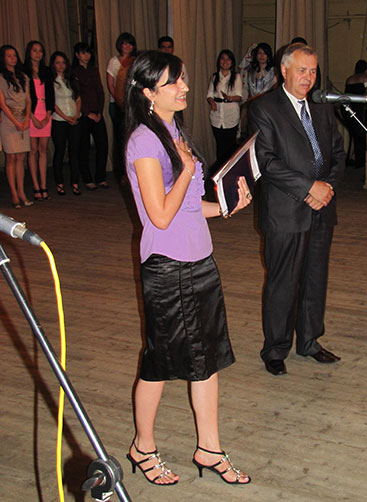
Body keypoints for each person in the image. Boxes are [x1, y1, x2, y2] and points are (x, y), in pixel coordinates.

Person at [124, 50, 251, 486]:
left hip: (200, 261)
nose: (185, 87)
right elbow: (159, 216)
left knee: (207, 361)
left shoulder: (175, 131)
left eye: (183, 78)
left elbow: (190, 207)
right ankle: (142, 446)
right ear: (148, 92)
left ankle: (209, 448)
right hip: (167, 268)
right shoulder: (144, 141)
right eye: (174, 82)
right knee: (159, 364)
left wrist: (227, 206)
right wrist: (186, 168)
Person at [248, 43, 345, 376]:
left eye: (313, 71)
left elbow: (337, 153)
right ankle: (275, 349)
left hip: (322, 207)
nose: (309, 77)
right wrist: (309, 188)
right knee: (283, 282)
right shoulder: (263, 108)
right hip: (285, 211)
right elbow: (266, 161)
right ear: (284, 71)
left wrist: (327, 188)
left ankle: (309, 341)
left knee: (315, 279)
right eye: (302, 70)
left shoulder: (321, 107)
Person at [71, 42, 109, 190]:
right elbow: (77, 94)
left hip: (97, 112)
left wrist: (99, 111)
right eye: (83, 53)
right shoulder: (74, 71)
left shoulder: (94, 70)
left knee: (103, 144)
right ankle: (87, 178)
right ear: (77, 55)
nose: (86, 55)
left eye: (88, 52)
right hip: (83, 114)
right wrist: (87, 113)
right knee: (84, 147)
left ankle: (101, 177)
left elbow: (100, 92)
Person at [0, 44, 33, 208]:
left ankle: (21, 191)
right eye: (9, 55)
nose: (13, 58)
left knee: (21, 157)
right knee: (11, 157)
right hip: (8, 120)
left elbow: (28, 100)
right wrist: (15, 121)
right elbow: (2, 103)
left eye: (14, 55)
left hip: (23, 119)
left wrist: (26, 119)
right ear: (3, 58)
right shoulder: (1, 77)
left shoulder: (23, 77)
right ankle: (13, 193)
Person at [24, 40, 55, 200]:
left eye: (40, 51)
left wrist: (48, 114)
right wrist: (32, 117)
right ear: (29, 52)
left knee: (43, 150)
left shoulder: (46, 71)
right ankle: (36, 186)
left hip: (45, 112)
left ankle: (43, 185)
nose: (38, 53)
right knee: (33, 150)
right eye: (34, 50)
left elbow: (51, 94)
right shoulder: (23, 70)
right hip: (31, 113)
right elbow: (24, 97)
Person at [49, 51, 82, 195]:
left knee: (74, 152)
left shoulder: (71, 79)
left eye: (63, 62)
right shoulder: (51, 81)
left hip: (74, 118)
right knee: (60, 151)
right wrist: (65, 117)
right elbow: (52, 103)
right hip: (59, 120)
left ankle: (75, 182)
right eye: (58, 62)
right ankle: (59, 183)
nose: (61, 65)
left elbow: (78, 98)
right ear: (53, 64)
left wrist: (76, 114)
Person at [106, 32, 136, 180]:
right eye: (124, 43)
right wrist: (119, 101)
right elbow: (110, 84)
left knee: (133, 138)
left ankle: (133, 171)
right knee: (120, 138)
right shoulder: (114, 61)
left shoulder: (135, 61)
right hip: (117, 105)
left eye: (129, 43)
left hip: (132, 106)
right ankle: (121, 173)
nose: (127, 46)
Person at [206, 49, 243, 168]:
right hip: (216, 117)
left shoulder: (236, 76)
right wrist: (212, 102)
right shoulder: (214, 77)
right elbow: (209, 94)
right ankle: (219, 171)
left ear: (232, 62)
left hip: (231, 115)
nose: (225, 61)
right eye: (223, 59)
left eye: (228, 59)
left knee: (230, 147)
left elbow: (239, 96)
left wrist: (229, 98)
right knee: (220, 146)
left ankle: (230, 170)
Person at [342, 59, 367, 170]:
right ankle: (361, 160)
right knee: (362, 135)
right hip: (359, 109)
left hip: (348, 109)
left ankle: (356, 159)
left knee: (355, 135)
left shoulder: (349, 79)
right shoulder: (365, 78)